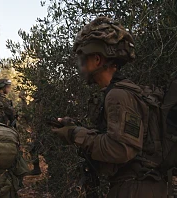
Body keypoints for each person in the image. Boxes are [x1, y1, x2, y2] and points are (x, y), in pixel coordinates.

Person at [51, 17, 167, 197]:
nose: (81, 67)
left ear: (97, 60)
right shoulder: (125, 91)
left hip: (135, 189)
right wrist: (75, 126)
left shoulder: (118, 95)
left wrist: (75, 134)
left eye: (83, 60)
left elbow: (120, 150)